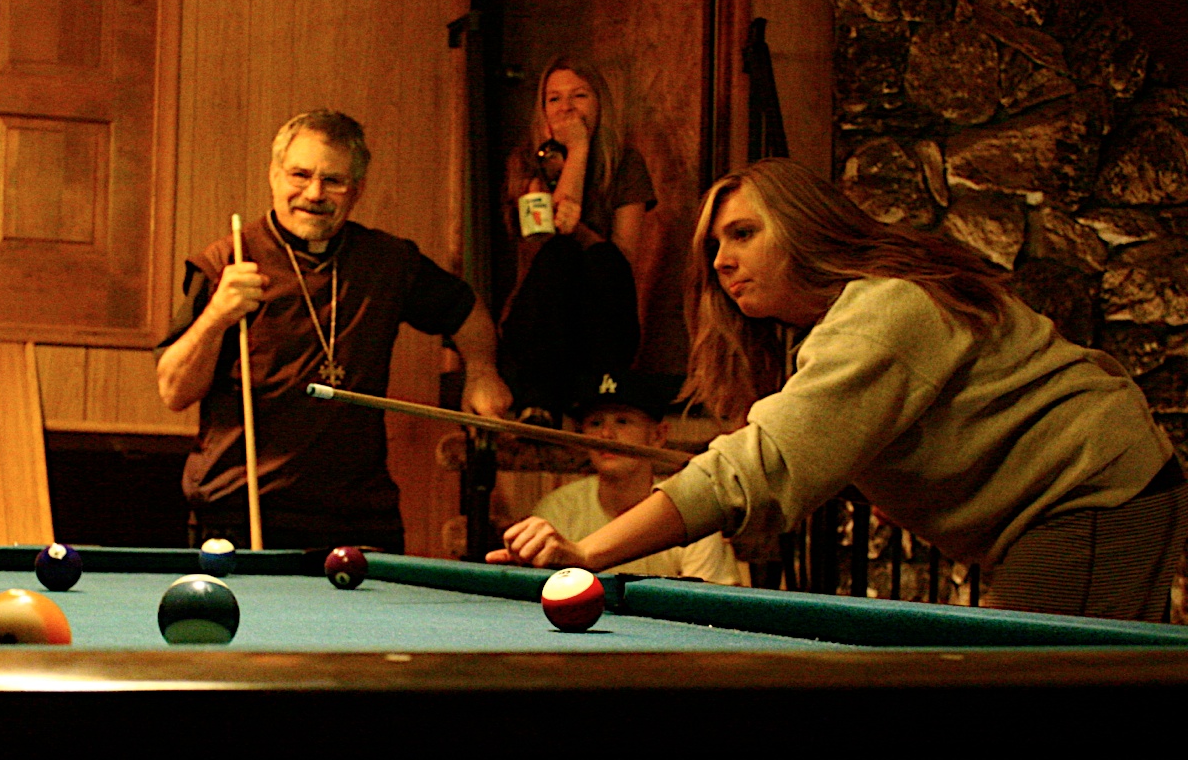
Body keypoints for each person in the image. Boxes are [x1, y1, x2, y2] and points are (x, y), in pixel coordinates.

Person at [489, 157, 1188, 621]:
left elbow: (756, 467)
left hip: (1088, 489)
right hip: (1087, 496)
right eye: (715, 247)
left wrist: (588, 554)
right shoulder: (831, 331)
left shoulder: (886, 309)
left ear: (804, 226)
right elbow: (772, 454)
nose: (723, 261)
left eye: (743, 233)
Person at [156, 110, 512, 552]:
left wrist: (482, 371)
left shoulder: (387, 262)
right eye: (300, 175)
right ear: (274, 175)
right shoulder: (227, 261)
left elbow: (466, 310)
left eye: (333, 181)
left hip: (360, 519)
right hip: (242, 515)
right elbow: (173, 391)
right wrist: (216, 315)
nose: (314, 193)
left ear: (357, 189)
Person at [498, 57, 657, 423]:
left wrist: (581, 149)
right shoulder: (526, 163)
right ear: (542, 109)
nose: (566, 107)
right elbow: (541, 241)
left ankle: (594, 404)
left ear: (600, 104)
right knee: (559, 252)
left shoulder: (625, 163)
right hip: (538, 325)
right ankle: (539, 405)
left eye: (579, 96)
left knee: (601, 260)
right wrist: (572, 156)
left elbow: (622, 260)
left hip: (600, 318)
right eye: (554, 98)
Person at [531, 371, 743, 584]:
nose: (606, 434)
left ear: (658, 435)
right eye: (595, 423)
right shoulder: (557, 511)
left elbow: (707, 599)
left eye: (622, 421)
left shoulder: (692, 515)